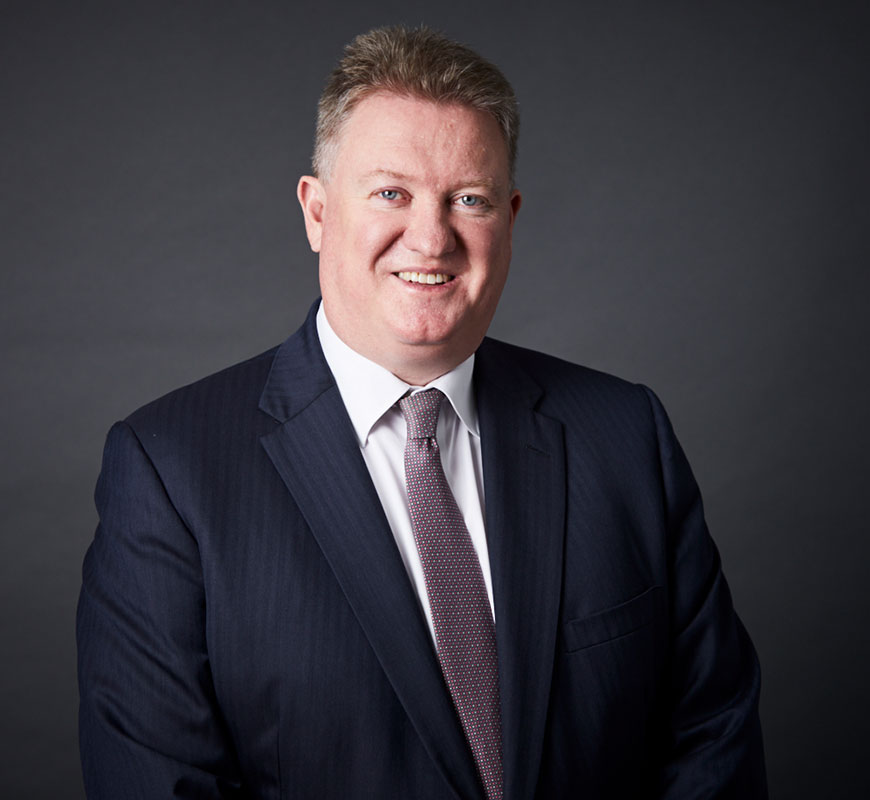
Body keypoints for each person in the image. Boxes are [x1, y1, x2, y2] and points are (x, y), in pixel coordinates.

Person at [77, 25, 767, 799]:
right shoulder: (170, 471)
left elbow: (712, 735)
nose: (432, 239)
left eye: (468, 199)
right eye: (391, 193)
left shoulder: (625, 435)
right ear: (316, 211)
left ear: (509, 218)